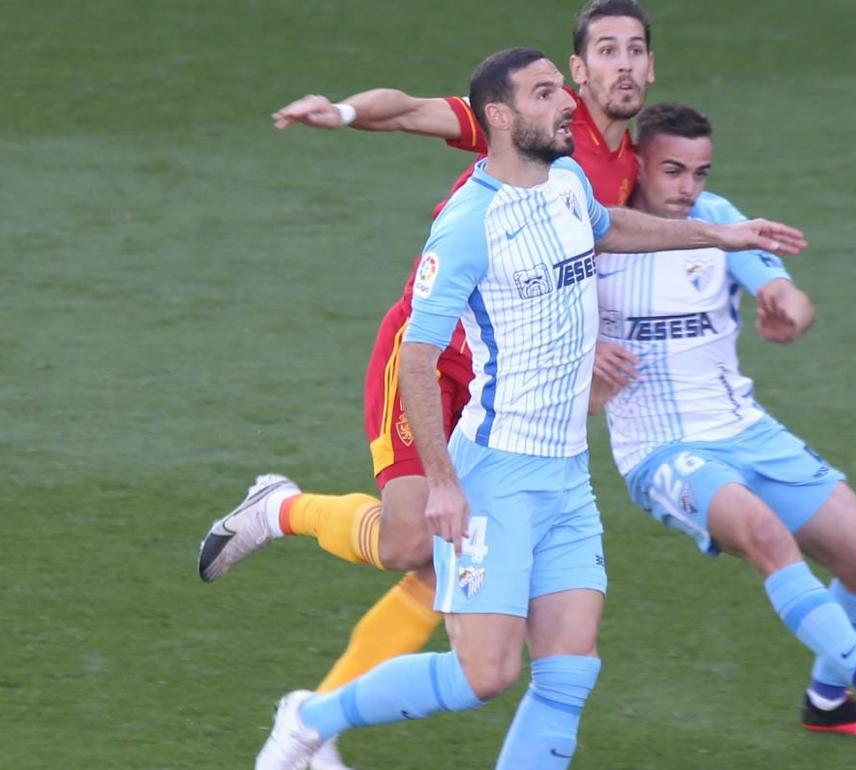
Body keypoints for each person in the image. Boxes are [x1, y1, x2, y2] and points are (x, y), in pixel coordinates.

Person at [253, 47, 807, 770]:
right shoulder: (466, 225)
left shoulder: (569, 180)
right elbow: (416, 357)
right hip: (498, 476)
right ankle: (309, 719)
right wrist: (446, 483)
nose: (568, 102)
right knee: (486, 675)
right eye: (546, 93)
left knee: (569, 673)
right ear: (501, 117)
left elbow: (608, 228)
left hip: (567, 477)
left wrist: (719, 233)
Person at [198, 3, 654, 766]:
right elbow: (407, 110)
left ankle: (317, 729)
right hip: (427, 359)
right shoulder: (519, 125)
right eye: (607, 52)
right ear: (576, 71)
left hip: (505, 393)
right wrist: (341, 112)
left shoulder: (609, 162)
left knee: (448, 576)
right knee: (412, 540)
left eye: (637, 50)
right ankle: (282, 511)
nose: (624, 66)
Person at [587, 102, 856, 739]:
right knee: (767, 537)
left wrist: (787, 310)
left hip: (748, 431)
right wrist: (587, 364)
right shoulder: (598, 236)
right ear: (637, 163)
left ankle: (829, 704)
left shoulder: (716, 221)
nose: (689, 188)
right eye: (674, 171)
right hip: (661, 450)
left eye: (701, 172)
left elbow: (787, 291)